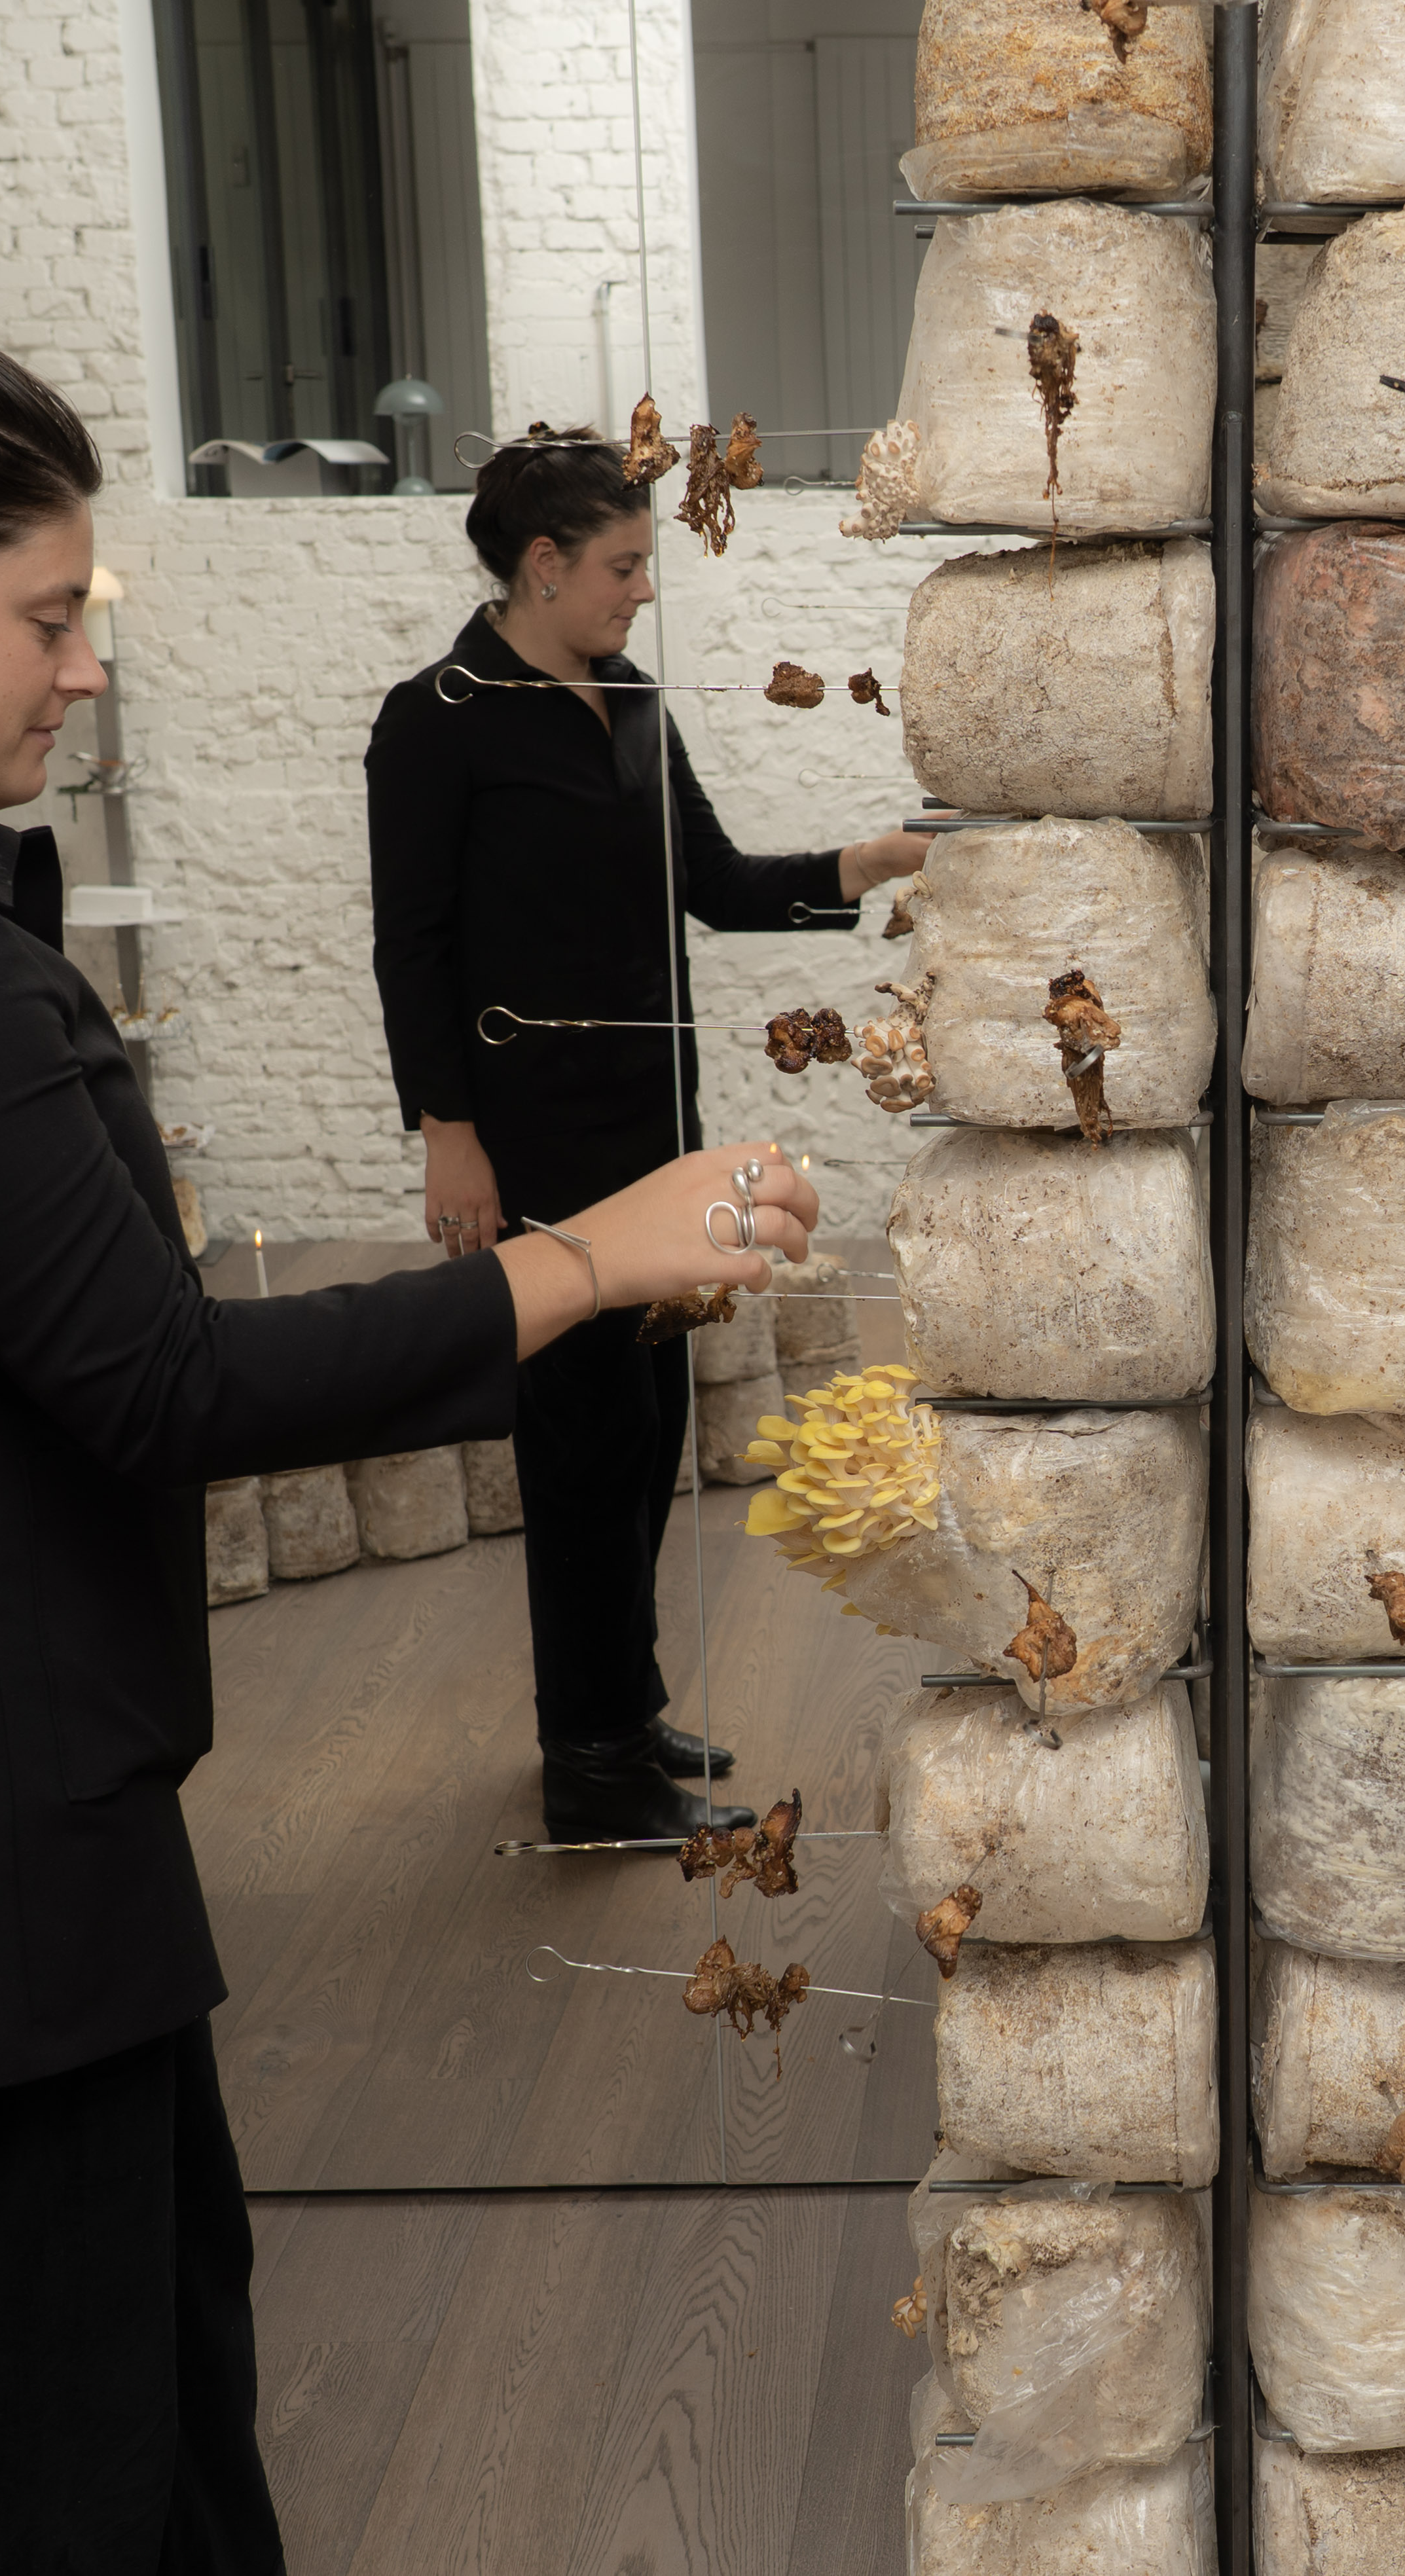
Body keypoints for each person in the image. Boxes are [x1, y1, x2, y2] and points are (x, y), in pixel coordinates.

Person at [0, 297, 821, 2574]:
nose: (81, 671)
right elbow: (165, 1379)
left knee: (141, 2363)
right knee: (29, 2440)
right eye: (49, 617)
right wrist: (586, 1255)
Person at [363, 426, 926, 1847]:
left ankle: (620, 1707)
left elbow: (716, 883)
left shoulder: (626, 701)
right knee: (577, 1449)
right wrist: (447, 1135)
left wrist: (864, 862)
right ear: (543, 564)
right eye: (622, 566)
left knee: (646, 1431)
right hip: (533, 1142)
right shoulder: (435, 718)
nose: (643, 591)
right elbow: (410, 947)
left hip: (651, 1132)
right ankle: (592, 1764)